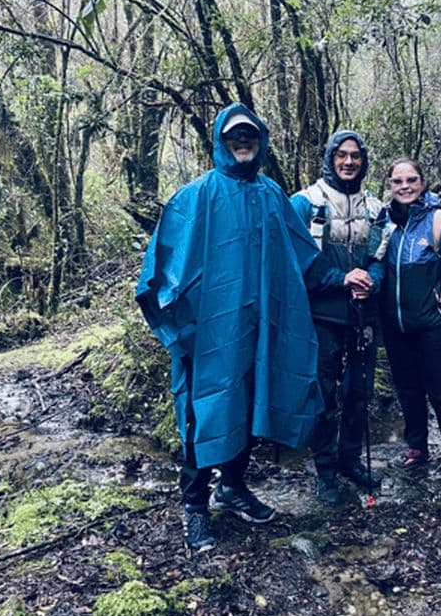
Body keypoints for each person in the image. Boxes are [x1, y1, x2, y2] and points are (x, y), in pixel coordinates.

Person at [136, 104, 326, 554]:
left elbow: (302, 261)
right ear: (222, 142)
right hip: (211, 339)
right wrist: (179, 330)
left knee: (247, 407)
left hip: (260, 333)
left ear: (260, 140)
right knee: (206, 415)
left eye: (250, 136)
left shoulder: (273, 195)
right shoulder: (195, 197)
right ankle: (194, 508)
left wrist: (350, 281)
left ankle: (233, 488)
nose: (243, 142)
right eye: (235, 136)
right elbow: (162, 273)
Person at [291, 131, 387, 504]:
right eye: (342, 156)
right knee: (324, 393)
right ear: (330, 158)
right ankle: (326, 472)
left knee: (358, 392)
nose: (349, 162)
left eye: (356, 157)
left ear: (363, 162)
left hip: (363, 315)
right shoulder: (305, 202)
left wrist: (371, 282)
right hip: (321, 316)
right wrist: (340, 278)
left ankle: (350, 461)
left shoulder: (377, 209)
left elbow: (381, 257)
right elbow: (299, 258)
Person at [380, 157, 441, 496]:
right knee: (408, 391)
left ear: (423, 182)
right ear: (389, 185)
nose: (404, 186)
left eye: (411, 180)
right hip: (396, 327)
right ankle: (417, 449)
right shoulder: (386, 223)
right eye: (397, 181)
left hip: (433, 327)